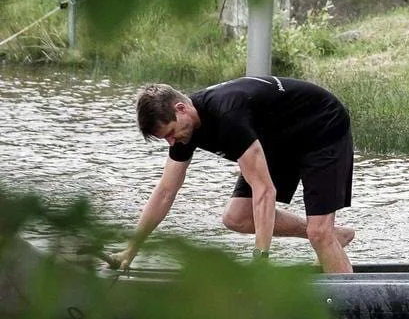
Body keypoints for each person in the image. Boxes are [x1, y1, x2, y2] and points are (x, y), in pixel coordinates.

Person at [112, 77, 356, 274]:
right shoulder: (184, 131)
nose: (171, 141)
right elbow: (165, 192)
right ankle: (335, 237)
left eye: (171, 133)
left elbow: (265, 190)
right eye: (166, 138)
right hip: (279, 140)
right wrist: (131, 249)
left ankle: (355, 309)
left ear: (181, 108)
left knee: (318, 232)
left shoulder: (228, 115)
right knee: (237, 217)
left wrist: (261, 257)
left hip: (321, 127)